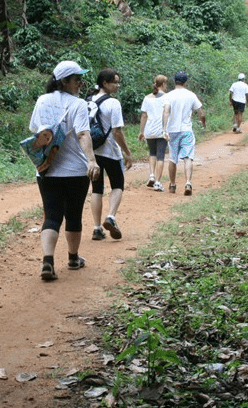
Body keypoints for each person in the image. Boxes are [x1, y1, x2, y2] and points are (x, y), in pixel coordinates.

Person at [29, 60, 100, 281]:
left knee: (51, 215)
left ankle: (48, 261)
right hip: (76, 171)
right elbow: (82, 134)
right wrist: (91, 161)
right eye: (76, 78)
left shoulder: (42, 101)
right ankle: (72, 258)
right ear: (63, 80)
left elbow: (35, 131)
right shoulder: (78, 104)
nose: (80, 82)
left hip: (47, 169)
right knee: (73, 215)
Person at [88, 69, 133, 241]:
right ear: (105, 83)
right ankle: (111, 217)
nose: (118, 85)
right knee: (117, 185)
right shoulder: (113, 103)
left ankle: (97, 228)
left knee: (96, 189)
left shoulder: (87, 101)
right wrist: (127, 153)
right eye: (115, 82)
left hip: (93, 152)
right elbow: (117, 132)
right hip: (111, 152)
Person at [162, 71, 206, 196]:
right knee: (188, 158)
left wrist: (164, 129)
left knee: (172, 158)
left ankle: (172, 184)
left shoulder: (169, 95)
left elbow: (166, 112)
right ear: (186, 82)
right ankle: (188, 182)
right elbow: (201, 113)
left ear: (174, 81)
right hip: (186, 130)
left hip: (172, 130)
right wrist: (202, 123)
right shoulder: (191, 95)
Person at [138, 75, 168, 192]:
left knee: (152, 153)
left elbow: (144, 115)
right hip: (161, 130)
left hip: (149, 130)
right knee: (160, 155)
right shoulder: (167, 97)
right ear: (164, 84)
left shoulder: (147, 98)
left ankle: (151, 175)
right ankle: (158, 182)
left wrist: (141, 131)